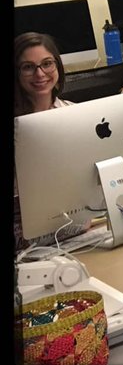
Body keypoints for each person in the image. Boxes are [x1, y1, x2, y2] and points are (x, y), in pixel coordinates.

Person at [14, 33, 77, 249]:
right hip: (23, 234)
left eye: (47, 64)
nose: (40, 74)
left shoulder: (75, 113)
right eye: (28, 67)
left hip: (74, 225)